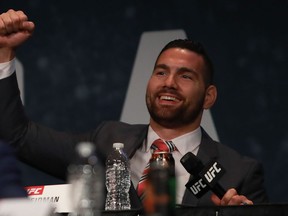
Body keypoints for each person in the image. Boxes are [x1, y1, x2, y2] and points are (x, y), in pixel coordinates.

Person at [0, 9, 268, 209]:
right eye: (161, 72)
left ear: (209, 97)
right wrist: (3, 54)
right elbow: (18, 136)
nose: (169, 83)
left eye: (185, 76)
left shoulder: (239, 172)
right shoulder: (106, 140)